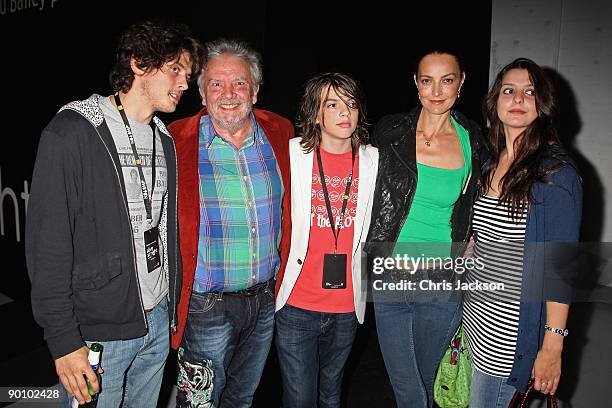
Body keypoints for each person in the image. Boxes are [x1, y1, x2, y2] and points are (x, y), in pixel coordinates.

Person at [25, 20, 204, 407]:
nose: (185, 83)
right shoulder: (73, 131)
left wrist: (169, 311)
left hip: (156, 321)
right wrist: (63, 341)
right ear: (139, 64)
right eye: (175, 69)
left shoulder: (164, 137)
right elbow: (49, 247)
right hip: (99, 332)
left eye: (187, 74)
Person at [168, 38, 293, 407]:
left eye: (239, 83)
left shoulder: (280, 132)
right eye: (216, 84)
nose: (229, 94)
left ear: (254, 91)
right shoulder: (176, 141)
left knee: (242, 399)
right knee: (199, 403)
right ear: (202, 94)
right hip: (206, 306)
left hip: (264, 300)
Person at [364, 50, 485, 407]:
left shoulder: (473, 139)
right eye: (427, 80)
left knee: (430, 385)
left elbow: (480, 199)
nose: (436, 90)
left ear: (461, 83)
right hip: (389, 275)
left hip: (440, 281)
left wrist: (473, 236)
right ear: (416, 84)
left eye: (447, 80)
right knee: (406, 389)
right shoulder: (390, 131)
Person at [462, 58, 582, 407]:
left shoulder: (556, 174)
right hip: (474, 324)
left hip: (508, 341)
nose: (517, 99)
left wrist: (552, 346)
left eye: (529, 92)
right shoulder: (490, 162)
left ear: (543, 103)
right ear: (494, 101)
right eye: (509, 90)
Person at [274, 72, 378, 407]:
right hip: (296, 305)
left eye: (350, 103)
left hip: (348, 306)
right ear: (315, 112)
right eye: (332, 104)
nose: (345, 112)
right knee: (300, 398)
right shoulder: (291, 155)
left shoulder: (374, 161)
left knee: (332, 394)